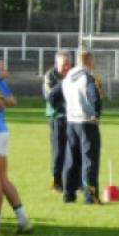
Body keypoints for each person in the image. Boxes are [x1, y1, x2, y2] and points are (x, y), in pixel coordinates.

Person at [0, 61, 33, 234]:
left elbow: (9, 101)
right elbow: (10, 100)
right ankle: (23, 219)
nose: (4, 70)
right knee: (1, 179)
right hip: (1, 131)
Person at [62, 50, 103, 204]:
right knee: (89, 159)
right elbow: (95, 97)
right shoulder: (88, 77)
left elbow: (56, 94)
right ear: (89, 61)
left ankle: (68, 194)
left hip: (71, 122)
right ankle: (90, 195)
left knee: (71, 158)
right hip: (86, 122)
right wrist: (97, 114)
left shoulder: (68, 78)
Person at [44, 50, 72, 192]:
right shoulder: (50, 76)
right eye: (64, 64)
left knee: (74, 150)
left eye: (68, 63)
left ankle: (74, 181)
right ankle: (56, 181)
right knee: (59, 151)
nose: (67, 67)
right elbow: (50, 97)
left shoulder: (73, 74)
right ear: (57, 63)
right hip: (57, 117)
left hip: (73, 118)